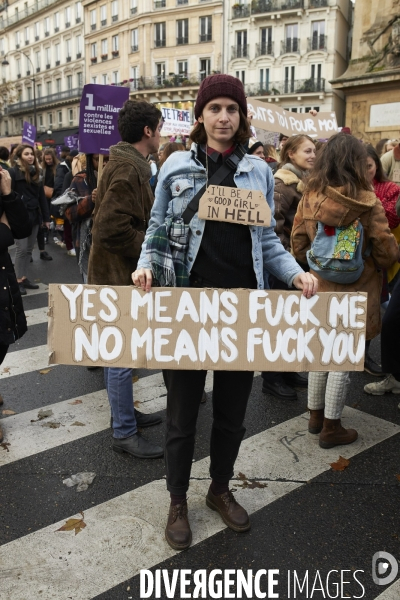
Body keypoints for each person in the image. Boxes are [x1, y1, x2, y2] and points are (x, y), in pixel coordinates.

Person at [132, 73, 318, 551]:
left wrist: (294, 273)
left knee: (232, 413)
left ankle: (218, 489)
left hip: (241, 310)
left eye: (231, 109)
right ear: (200, 116)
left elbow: (268, 241)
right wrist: (146, 265)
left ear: (241, 118)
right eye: (214, 108)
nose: (222, 117)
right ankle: (178, 499)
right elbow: (156, 227)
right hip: (188, 306)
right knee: (181, 414)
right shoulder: (175, 165)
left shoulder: (258, 172)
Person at [291, 133, 399, 448]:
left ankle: (314, 416)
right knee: (342, 358)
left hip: (318, 286)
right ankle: (332, 427)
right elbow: (384, 252)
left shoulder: (310, 194)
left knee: (321, 353)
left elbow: (297, 243)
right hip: (357, 287)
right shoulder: (367, 200)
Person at [88, 100, 164, 460]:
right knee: (120, 355)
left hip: (112, 273)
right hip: (117, 275)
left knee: (116, 353)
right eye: (159, 128)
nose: (161, 135)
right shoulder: (129, 169)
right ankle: (123, 431)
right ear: (148, 131)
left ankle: (125, 414)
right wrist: (147, 245)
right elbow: (109, 228)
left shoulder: (127, 164)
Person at [261, 134, 316, 401]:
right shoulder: (283, 184)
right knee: (279, 323)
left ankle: (287, 371)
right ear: (291, 153)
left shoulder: (302, 182)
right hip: (284, 264)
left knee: (292, 322)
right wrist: (289, 259)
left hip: (295, 262)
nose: (312, 155)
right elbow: (275, 227)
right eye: (307, 150)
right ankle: (271, 379)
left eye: (314, 150)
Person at [0, 166, 31, 442]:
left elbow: (20, 229)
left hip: (3, 279)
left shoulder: (3, 178)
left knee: (3, 339)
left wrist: (8, 194)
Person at [10, 145, 51, 295]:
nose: (30, 156)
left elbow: (42, 198)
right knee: (21, 250)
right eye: (26, 154)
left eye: (31, 154)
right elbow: (8, 197)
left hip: (34, 217)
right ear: (20, 156)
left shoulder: (37, 174)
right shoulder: (13, 173)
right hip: (19, 217)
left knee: (28, 250)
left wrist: (46, 218)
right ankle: (17, 280)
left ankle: (23, 277)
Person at [65, 154, 107, 281]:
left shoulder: (120, 177)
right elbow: (70, 213)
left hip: (113, 244)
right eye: (99, 160)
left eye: (109, 159)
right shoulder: (79, 180)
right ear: (89, 160)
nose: (104, 163)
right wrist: (90, 200)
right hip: (88, 244)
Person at [36, 148, 58, 262]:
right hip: (44, 195)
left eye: (50, 159)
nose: (48, 161)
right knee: (45, 216)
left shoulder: (57, 167)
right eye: (46, 159)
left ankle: (50, 233)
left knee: (51, 215)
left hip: (53, 194)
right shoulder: (42, 168)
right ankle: (46, 236)